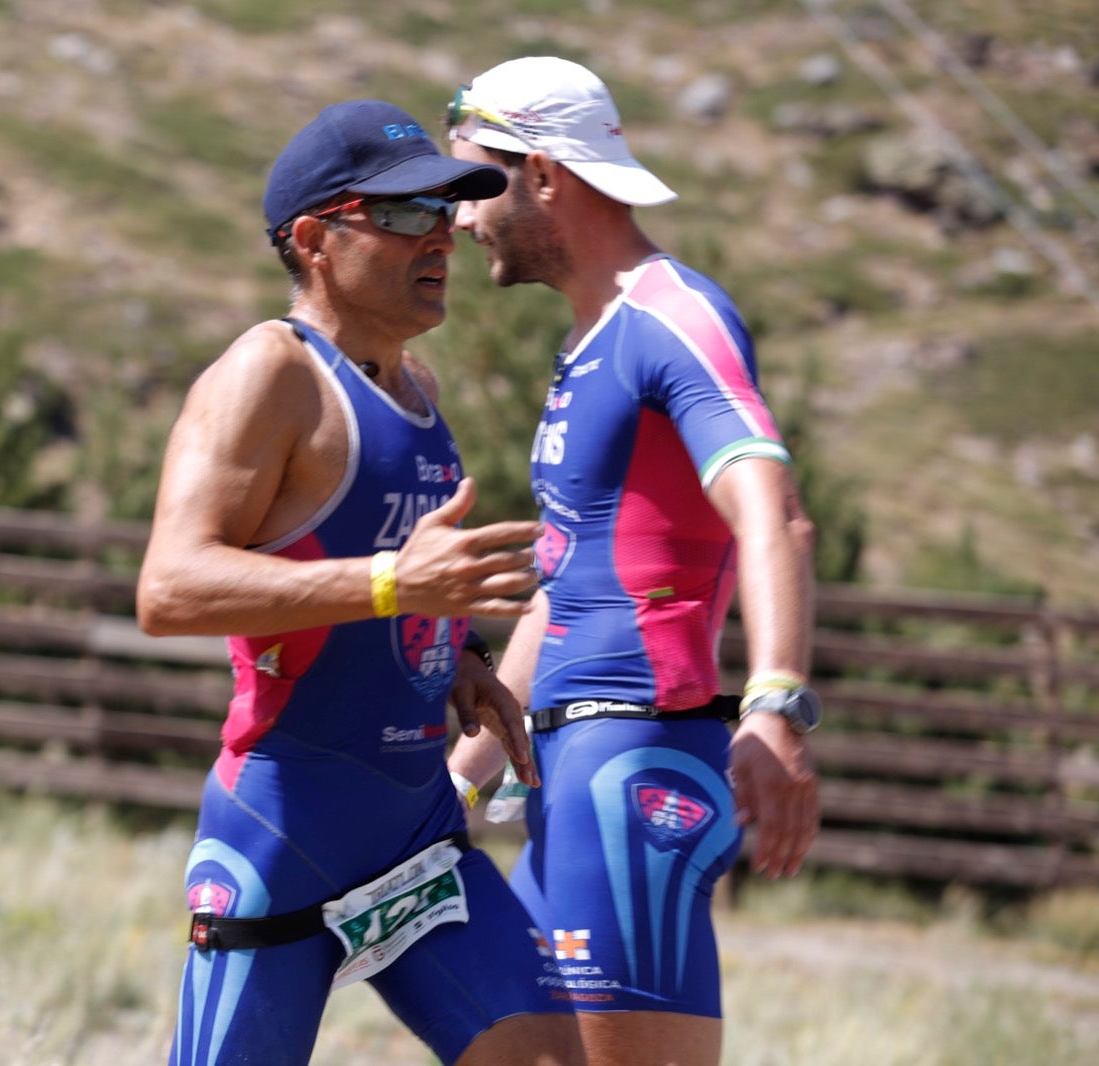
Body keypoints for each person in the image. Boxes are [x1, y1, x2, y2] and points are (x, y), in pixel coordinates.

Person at [136, 99, 585, 1066]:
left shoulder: (416, 385)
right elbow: (169, 586)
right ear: (314, 239)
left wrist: (455, 653)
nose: (444, 241)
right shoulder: (270, 372)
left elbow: (390, 576)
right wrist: (391, 585)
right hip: (285, 828)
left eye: (447, 214)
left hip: (417, 830)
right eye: (407, 216)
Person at [441, 57, 822, 1066]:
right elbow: (565, 595)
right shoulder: (590, 344)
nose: (461, 219)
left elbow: (774, 516)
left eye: (475, 186)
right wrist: (468, 773)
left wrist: (776, 704)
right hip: (566, 771)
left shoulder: (670, 317)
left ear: (545, 176)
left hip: (632, 768)